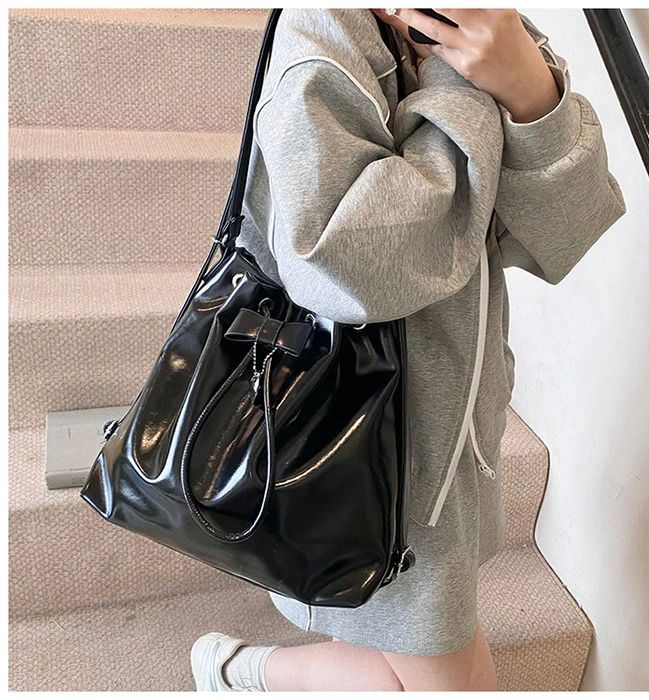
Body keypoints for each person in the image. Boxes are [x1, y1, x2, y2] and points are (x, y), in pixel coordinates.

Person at [190, 7, 626, 692]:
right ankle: (244, 673)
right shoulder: (322, 33)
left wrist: (531, 92)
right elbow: (339, 264)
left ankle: (244, 673)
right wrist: (462, 92)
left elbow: (567, 230)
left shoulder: (481, 29)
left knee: (404, 675)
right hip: (358, 451)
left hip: (451, 441)